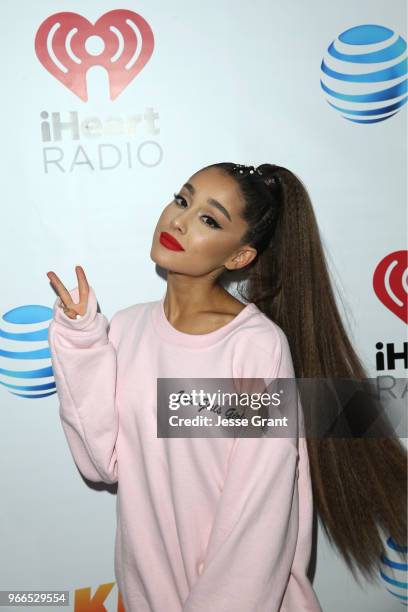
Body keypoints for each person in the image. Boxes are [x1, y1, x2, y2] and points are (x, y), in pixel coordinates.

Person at [46, 162, 407, 612]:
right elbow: (104, 464)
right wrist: (82, 340)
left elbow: (257, 514)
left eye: (209, 219)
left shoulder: (253, 347)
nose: (178, 220)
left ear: (238, 257)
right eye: (182, 199)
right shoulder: (126, 328)